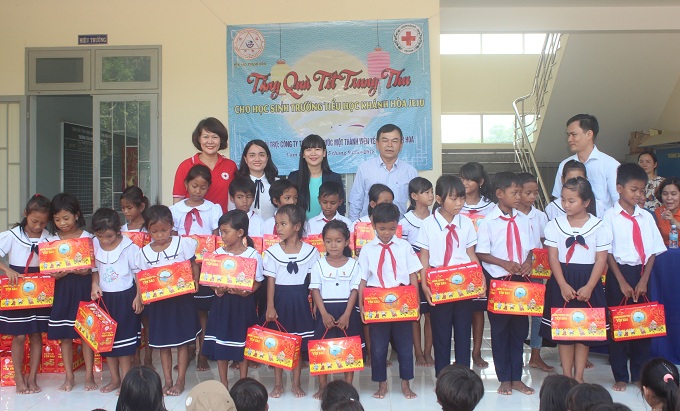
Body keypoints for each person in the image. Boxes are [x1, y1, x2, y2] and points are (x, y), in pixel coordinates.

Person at [540, 177, 611, 384]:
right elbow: (553, 256)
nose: (566, 205)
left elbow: (601, 258)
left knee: (584, 330)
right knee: (565, 330)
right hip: (563, 279)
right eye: (563, 200)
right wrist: (562, 284)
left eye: (572, 201)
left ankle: (579, 376)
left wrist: (590, 286)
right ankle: (567, 375)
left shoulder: (599, 226)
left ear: (586, 202)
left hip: (589, 280)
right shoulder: (555, 225)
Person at [603, 163, 666, 391]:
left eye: (642, 190)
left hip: (642, 274)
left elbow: (652, 252)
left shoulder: (647, 217)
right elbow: (607, 252)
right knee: (618, 325)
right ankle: (620, 375)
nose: (639, 195)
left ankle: (638, 373)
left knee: (642, 325)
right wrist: (620, 281)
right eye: (634, 190)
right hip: (618, 273)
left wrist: (643, 280)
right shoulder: (609, 217)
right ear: (619, 188)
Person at [476, 172, 539, 395]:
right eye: (515, 193)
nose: (519, 196)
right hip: (499, 280)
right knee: (500, 330)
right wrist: (503, 263)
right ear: (499, 194)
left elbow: (531, 249)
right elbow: (482, 252)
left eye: (521, 192)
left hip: (521, 279)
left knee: (520, 330)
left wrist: (528, 262)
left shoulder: (524, 220)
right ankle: (504, 377)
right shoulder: (488, 222)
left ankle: (517, 377)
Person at [358, 203, 422, 399]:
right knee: (377, 347)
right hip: (377, 302)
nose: (387, 233)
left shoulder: (405, 247)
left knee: (404, 345)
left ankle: (405, 384)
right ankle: (381, 384)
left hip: (403, 301)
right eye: (382, 228)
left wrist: (416, 303)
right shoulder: (367, 250)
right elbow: (362, 280)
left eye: (392, 229)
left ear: (397, 226)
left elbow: (413, 276)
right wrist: (362, 306)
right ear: (373, 225)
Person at [134, 205, 200, 396]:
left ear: (172, 225)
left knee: (182, 342)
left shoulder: (182, 243)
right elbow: (141, 277)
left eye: (164, 230)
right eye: (154, 231)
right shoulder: (144, 253)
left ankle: (180, 382)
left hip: (181, 300)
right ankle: (167, 381)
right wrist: (139, 297)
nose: (160, 235)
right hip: (159, 304)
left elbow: (193, 263)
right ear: (148, 230)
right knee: (163, 343)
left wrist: (195, 280)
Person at [418, 175, 478, 375]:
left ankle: (463, 376)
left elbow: (471, 254)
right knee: (441, 334)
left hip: (463, 284)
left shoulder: (467, 223)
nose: (459, 203)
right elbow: (424, 257)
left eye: (462, 198)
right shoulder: (427, 225)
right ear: (439, 199)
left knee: (463, 332)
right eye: (453, 198)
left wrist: (480, 278)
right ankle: (442, 376)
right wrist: (424, 283)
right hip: (438, 283)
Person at [264, 204, 320, 398]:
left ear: (296, 227)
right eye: (277, 224)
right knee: (279, 342)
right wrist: (270, 306)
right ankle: (278, 384)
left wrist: (314, 305)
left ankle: (296, 384)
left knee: (297, 342)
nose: (278, 228)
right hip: (280, 299)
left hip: (301, 300)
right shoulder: (272, 252)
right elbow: (270, 282)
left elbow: (313, 283)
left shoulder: (311, 252)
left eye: (283, 224)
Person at [202, 210, 264, 388]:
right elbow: (210, 280)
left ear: (240, 232)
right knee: (221, 343)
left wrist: (248, 291)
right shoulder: (217, 254)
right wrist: (217, 289)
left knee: (242, 342)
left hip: (243, 305)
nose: (222, 236)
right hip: (222, 304)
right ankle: (223, 382)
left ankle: (243, 380)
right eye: (221, 231)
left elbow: (259, 281)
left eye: (226, 231)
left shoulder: (252, 255)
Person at [169, 164, 221, 372]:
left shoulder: (213, 208)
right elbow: (172, 239)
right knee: (185, 311)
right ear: (186, 185)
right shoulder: (175, 210)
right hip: (184, 269)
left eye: (203, 187)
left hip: (206, 268)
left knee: (203, 312)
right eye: (194, 186)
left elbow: (218, 238)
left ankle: (203, 353)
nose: (198, 191)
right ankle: (187, 350)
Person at [0, 194, 51, 394]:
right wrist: (7, 270)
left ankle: (32, 377)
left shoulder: (49, 238)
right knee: (19, 335)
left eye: (43, 222)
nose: (38, 226)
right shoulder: (12, 235)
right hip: (17, 287)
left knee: (36, 334)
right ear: (25, 214)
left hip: (41, 289)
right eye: (34, 221)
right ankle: (18, 377)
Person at [46, 193, 97, 392]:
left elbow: (95, 268)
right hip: (62, 291)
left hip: (82, 288)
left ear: (77, 215)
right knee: (65, 336)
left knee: (86, 333)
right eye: (57, 219)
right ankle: (69, 376)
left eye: (66, 218)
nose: (62, 223)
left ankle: (90, 376)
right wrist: (57, 274)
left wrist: (87, 272)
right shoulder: (51, 241)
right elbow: (49, 271)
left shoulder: (88, 238)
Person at [90, 208, 143, 393]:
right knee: (107, 341)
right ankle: (114, 380)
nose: (104, 240)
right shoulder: (93, 244)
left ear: (118, 230)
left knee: (125, 344)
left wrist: (139, 296)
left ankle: (127, 381)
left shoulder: (129, 247)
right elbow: (94, 270)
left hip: (125, 298)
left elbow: (138, 274)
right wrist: (94, 285)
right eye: (100, 236)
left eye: (109, 236)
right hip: (104, 299)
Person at [309, 220, 362, 399]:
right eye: (329, 241)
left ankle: (348, 387)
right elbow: (315, 289)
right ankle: (323, 387)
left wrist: (347, 314)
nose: (333, 245)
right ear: (323, 241)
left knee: (349, 348)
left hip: (346, 309)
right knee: (323, 347)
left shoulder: (354, 264)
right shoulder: (318, 265)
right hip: (326, 310)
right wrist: (323, 313)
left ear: (347, 242)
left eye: (338, 241)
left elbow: (354, 290)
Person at [516, 172, 554, 372]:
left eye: (535, 193)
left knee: (537, 312)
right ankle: (515, 352)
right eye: (528, 193)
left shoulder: (540, 216)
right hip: (516, 270)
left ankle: (536, 354)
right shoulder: (512, 215)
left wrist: (536, 259)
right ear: (517, 193)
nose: (532, 197)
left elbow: (544, 241)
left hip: (536, 270)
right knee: (518, 311)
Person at [459, 162, 494, 368]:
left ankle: (477, 351)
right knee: (461, 310)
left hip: (483, 263)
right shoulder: (455, 203)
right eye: (462, 178)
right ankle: (462, 351)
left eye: (469, 179)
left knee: (478, 311)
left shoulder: (490, 207)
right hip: (459, 264)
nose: (464, 183)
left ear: (480, 182)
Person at [349, 124, 418, 220]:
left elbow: (416, 204)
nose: (389, 145)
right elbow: (356, 202)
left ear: (401, 145)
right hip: (368, 229)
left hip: (399, 228)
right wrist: (354, 226)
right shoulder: (364, 169)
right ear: (377, 144)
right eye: (385, 141)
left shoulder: (410, 172)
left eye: (394, 141)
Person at [552, 114, 620, 210]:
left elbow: (618, 201)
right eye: (568, 135)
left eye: (573, 135)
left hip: (602, 222)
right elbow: (558, 198)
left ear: (589, 134)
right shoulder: (564, 165)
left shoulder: (610, 165)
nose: (569, 139)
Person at [400, 176, 434, 367]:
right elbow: (403, 250)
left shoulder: (435, 218)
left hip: (431, 274)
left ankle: (428, 352)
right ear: (414, 196)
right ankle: (418, 353)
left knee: (431, 315)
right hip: (412, 275)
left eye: (431, 192)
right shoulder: (405, 221)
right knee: (415, 315)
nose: (430, 196)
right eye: (426, 192)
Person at [173, 117, 237, 213]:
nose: (210, 141)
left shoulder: (230, 166)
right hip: (193, 225)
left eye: (215, 137)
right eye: (206, 137)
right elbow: (177, 202)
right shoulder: (186, 166)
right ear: (199, 139)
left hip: (222, 224)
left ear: (221, 140)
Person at [120, 187, 153, 369]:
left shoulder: (150, 227)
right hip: (128, 280)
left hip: (148, 279)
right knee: (131, 322)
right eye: (123, 208)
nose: (125, 212)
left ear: (141, 206)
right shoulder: (121, 230)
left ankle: (148, 357)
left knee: (147, 323)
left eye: (129, 208)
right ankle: (135, 359)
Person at [289, 134, 346, 220]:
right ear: (303, 154)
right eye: (308, 150)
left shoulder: (334, 178)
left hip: (328, 228)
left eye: (317, 149)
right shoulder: (294, 177)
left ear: (324, 153)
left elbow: (340, 207)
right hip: (300, 227)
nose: (313, 153)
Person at [238, 139, 279, 220]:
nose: (257, 159)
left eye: (262, 155)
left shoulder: (277, 183)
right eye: (252, 155)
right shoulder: (238, 184)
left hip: (272, 231)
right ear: (245, 159)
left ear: (267, 157)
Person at [654, 177, 680, 245]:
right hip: (663, 252)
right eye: (665, 194)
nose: (669, 198)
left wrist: (673, 221)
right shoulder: (658, 212)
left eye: (673, 194)